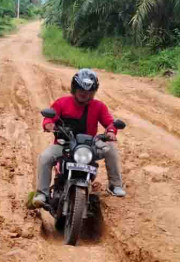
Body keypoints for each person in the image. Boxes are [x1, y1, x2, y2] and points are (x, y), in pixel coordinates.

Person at [33, 68, 126, 208]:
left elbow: (110, 123)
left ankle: (114, 185)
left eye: (89, 91)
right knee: (45, 157)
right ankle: (42, 194)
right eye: (81, 89)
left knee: (110, 149)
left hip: (89, 146)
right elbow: (49, 118)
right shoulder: (62, 103)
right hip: (64, 145)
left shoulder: (99, 106)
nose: (84, 93)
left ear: (93, 92)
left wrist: (112, 131)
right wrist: (49, 125)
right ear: (74, 88)